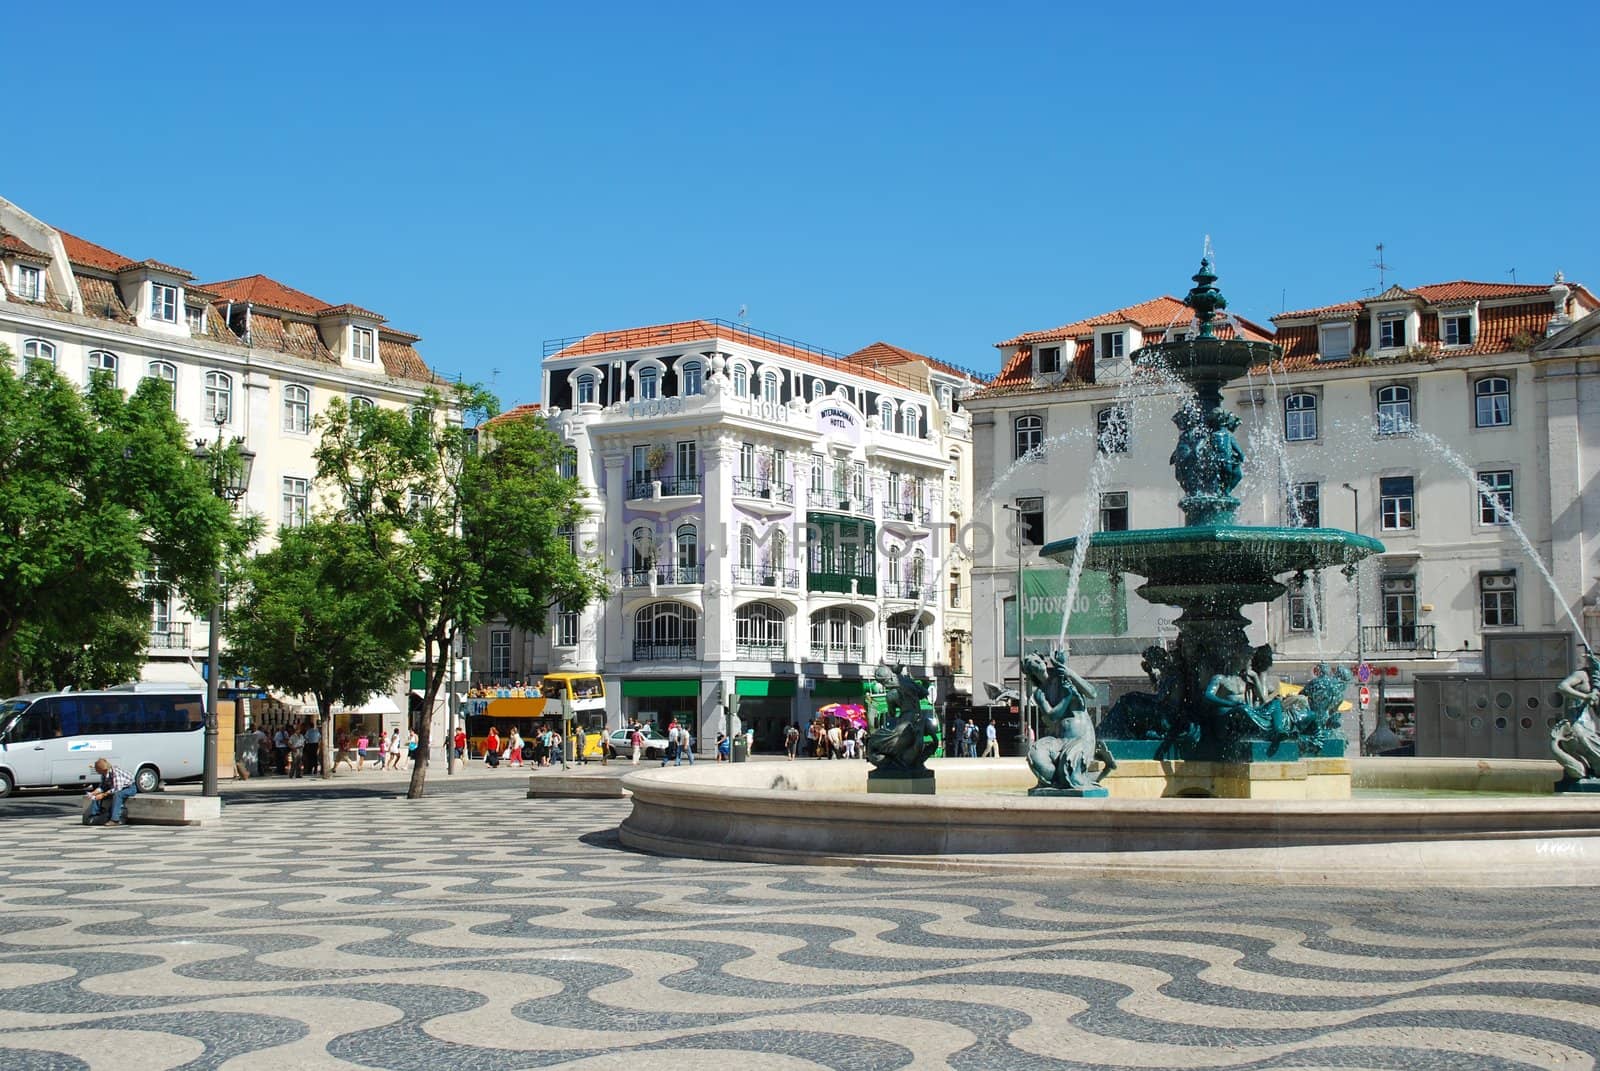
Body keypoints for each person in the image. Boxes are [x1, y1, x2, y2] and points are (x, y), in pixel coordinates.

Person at [84, 759, 137, 825]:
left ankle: (115, 820)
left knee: (118, 795)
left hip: (129, 788)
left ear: (103, 769)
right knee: (96, 796)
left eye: (97, 769)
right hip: (115, 787)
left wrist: (103, 795)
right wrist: (94, 792)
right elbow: (103, 786)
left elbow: (117, 789)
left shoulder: (116, 773)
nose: (96, 771)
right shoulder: (104, 774)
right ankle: (93, 816)